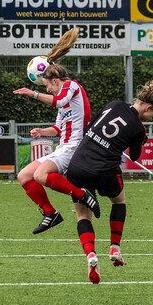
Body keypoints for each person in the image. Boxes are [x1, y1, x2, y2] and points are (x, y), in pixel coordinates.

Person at [44, 80, 153, 283]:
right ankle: (115, 248)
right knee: (119, 202)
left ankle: (91, 255)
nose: (151, 117)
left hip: (78, 165)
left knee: (82, 215)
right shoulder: (138, 127)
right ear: (149, 107)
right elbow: (134, 156)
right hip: (104, 170)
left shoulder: (113, 105)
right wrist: (141, 140)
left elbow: (91, 125)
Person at [13, 28, 100, 234]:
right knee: (24, 175)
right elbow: (58, 128)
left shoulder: (71, 86)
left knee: (41, 175)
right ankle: (50, 214)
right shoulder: (63, 102)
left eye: (47, 87)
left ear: (55, 81)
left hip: (75, 148)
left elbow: (58, 100)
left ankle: (82, 194)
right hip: (63, 147)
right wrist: (42, 131)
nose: (47, 91)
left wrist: (32, 94)